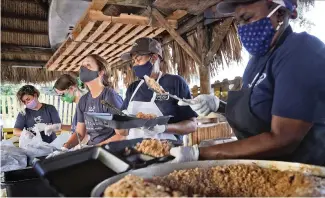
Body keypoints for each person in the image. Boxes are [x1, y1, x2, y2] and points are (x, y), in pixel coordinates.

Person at [175, 0, 325, 166]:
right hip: (266, 170)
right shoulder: (256, 62)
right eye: (238, 21)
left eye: (247, 18)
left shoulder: (301, 51)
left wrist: (200, 153)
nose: (242, 28)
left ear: (280, 14)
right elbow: (258, 112)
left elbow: (284, 139)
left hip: (304, 175)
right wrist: (218, 106)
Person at [116, 37, 197, 141]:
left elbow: (192, 125)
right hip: (135, 150)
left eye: (138, 59)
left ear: (154, 58)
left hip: (167, 149)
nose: (135, 64)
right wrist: (120, 124)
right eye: (133, 61)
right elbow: (123, 131)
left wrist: (164, 128)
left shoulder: (176, 82)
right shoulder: (133, 88)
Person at [62, 54, 124, 149]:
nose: (83, 68)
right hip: (92, 149)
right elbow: (79, 133)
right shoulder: (83, 100)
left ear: (100, 73)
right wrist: (65, 147)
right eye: (82, 66)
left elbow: (121, 135)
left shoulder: (109, 96)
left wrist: (96, 148)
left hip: (110, 152)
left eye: (88, 65)